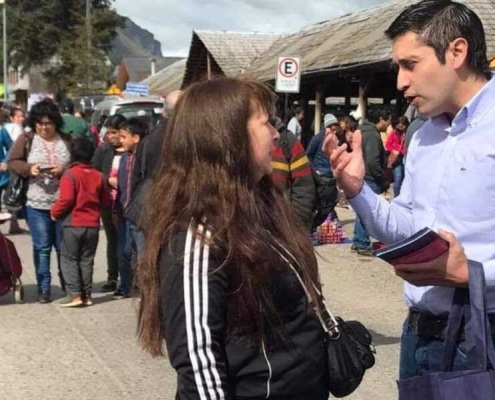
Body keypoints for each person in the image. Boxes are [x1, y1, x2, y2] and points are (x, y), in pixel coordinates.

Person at [325, 0, 495, 380]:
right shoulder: (423, 137)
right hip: (418, 336)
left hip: (484, 336)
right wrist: (357, 190)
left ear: (457, 52)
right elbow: (407, 226)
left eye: (410, 64)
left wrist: (474, 274)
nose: (401, 82)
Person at [137, 78, 329, 399]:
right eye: (266, 123)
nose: (276, 134)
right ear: (229, 137)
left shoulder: (260, 206)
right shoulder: (198, 237)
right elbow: (199, 363)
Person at [9, 99, 72, 303]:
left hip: (63, 203)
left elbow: (78, 163)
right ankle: (43, 289)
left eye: (48, 123)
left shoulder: (67, 140)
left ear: (55, 122)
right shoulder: (26, 139)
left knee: (63, 247)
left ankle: (68, 286)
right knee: (42, 248)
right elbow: (13, 162)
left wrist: (64, 169)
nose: (44, 127)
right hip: (36, 204)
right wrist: (29, 169)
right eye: (40, 123)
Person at [51, 138, 111, 307]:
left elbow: (66, 199)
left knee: (69, 259)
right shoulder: (99, 176)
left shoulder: (70, 174)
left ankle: (74, 294)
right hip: (92, 224)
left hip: (73, 222)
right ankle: (86, 294)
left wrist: (54, 212)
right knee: (87, 260)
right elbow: (106, 201)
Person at [91, 114, 127, 293]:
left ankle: (129, 277)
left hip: (128, 203)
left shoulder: (133, 149)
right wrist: (107, 179)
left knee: (127, 241)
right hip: (108, 203)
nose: (111, 136)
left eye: (115, 132)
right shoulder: (104, 150)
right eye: (109, 132)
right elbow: (93, 171)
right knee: (112, 240)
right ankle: (112, 276)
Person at [114, 117, 148, 299]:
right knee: (123, 252)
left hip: (140, 214)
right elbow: (120, 187)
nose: (120, 140)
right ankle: (125, 285)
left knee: (142, 254)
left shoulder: (144, 159)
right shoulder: (123, 159)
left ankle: (145, 288)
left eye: (124, 137)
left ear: (136, 138)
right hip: (123, 213)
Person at [350, 110, 388, 257]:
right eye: (387, 121)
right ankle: (362, 243)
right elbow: (373, 160)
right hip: (369, 176)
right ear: (381, 119)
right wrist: (382, 177)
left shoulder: (362, 131)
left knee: (361, 209)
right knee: (367, 210)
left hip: (361, 173)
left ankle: (358, 240)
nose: (388, 125)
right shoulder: (372, 134)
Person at [270, 116, 316, 231]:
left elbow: (304, 189)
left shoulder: (287, 141)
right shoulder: (235, 140)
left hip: (283, 228)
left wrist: (296, 227)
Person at [385, 115, 409, 197]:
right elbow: (387, 145)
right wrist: (394, 150)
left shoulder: (408, 133)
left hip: (406, 158)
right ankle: (396, 197)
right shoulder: (394, 133)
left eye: (403, 124)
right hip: (397, 159)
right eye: (399, 123)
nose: (401, 125)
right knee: (398, 178)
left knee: (405, 179)